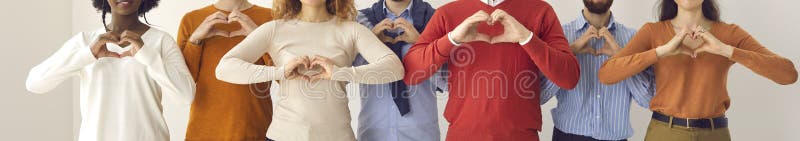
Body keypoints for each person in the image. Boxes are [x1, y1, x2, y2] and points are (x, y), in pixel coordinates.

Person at [598, 0, 798, 140]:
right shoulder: (653, 31)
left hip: (715, 134)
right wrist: (661, 51)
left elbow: (788, 74)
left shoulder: (730, 34)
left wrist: (726, 50)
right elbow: (607, 74)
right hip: (665, 134)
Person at [214, 0, 405, 140]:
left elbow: (394, 68)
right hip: (283, 135)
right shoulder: (274, 29)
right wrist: (280, 72)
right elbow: (224, 68)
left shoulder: (351, 30)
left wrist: (340, 72)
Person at [402, 0, 581, 140]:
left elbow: (569, 77)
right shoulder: (446, 14)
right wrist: (452, 39)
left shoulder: (541, 12)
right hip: (461, 136)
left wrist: (527, 38)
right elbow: (411, 72)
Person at [25, 0, 195, 140]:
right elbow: (34, 83)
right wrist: (88, 54)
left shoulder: (162, 41)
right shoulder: (85, 41)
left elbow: (186, 96)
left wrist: (148, 55)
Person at [539, 0, 655, 141]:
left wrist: (622, 58)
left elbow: (648, 100)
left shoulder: (633, 38)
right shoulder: (559, 36)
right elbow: (540, 96)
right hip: (567, 136)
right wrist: (569, 53)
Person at [177, 0, 275, 140]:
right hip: (203, 133)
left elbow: (284, 76)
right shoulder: (191, 20)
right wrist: (195, 40)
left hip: (255, 131)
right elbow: (182, 87)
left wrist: (259, 37)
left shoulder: (271, 18)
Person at [353, 0, 443, 140]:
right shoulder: (360, 21)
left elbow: (448, 82)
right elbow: (346, 75)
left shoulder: (435, 19)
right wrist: (369, 42)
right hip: (373, 135)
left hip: (421, 135)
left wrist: (421, 44)